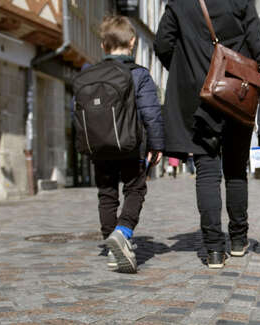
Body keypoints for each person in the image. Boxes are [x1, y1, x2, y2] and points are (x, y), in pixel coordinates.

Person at [155, 0, 260, 268]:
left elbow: (162, 44)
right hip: (237, 92)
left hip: (199, 96)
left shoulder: (179, 3)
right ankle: (238, 240)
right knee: (236, 169)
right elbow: (259, 46)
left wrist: (190, 69)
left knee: (207, 170)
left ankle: (214, 249)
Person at [92, 16, 164, 273]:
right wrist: (157, 144)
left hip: (99, 146)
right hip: (132, 144)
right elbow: (151, 112)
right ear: (132, 42)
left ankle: (113, 246)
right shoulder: (140, 75)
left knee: (107, 193)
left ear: (103, 45)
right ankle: (122, 233)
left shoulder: (88, 74)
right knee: (135, 189)